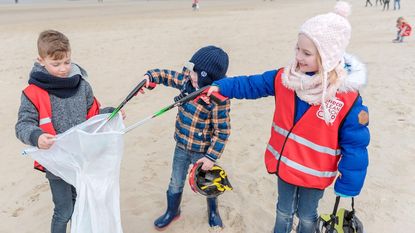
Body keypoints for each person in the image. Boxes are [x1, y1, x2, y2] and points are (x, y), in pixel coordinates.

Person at [205, 2, 370, 232]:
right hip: (285, 166)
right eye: (297, 49)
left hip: (315, 174)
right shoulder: (286, 78)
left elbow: (356, 144)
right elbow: (252, 84)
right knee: (283, 211)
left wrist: (349, 184)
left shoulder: (346, 98)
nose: (299, 57)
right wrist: (222, 87)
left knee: (307, 215)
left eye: (307, 53)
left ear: (327, 56)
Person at [15, 30, 123, 233]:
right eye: (56, 64)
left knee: (81, 205)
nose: (63, 69)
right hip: (57, 162)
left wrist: (110, 114)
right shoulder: (32, 93)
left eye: (67, 62)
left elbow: (92, 115)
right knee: (64, 210)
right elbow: (22, 125)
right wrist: (36, 137)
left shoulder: (82, 85)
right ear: (41, 60)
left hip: (82, 159)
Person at [141, 45, 231, 229]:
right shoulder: (186, 81)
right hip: (182, 145)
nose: (190, 74)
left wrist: (211, 157)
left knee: (209, 182)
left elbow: (222, 132)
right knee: (175, 181)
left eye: (195, 72)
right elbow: (166, 75)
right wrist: (150, 77)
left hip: (203, 152)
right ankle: (173, 211)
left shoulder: (218, 99)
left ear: (206, 76)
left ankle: (213, 211)